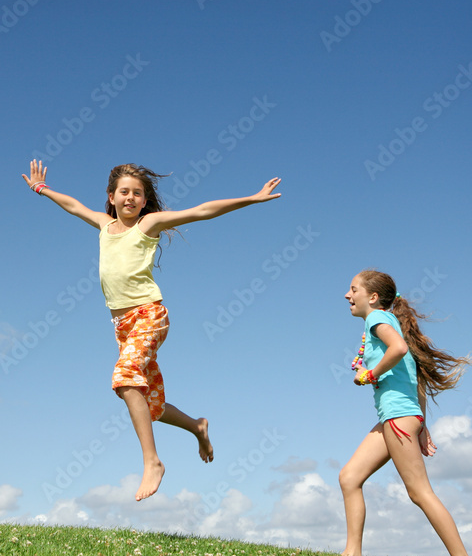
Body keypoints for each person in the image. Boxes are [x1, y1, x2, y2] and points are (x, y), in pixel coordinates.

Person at [23, 159, 282, 501]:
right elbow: (73, 205)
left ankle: (152, 462)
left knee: (126, 377)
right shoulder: (103, 225)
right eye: (124, 192)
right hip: (122, 325)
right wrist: (42, 189)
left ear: (145, 201)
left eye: (137, 193)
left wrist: (251, 198)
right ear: (111, 196)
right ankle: (197, 426)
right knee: (150, 404)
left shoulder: (148, 225)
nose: (130, 198)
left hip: (149, 315)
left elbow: (202, 210)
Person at [339, 269, 472, 556]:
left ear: (373, 297)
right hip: (400, 417)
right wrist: (422, 425)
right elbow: (418, 380)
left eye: (353, 290)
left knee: (419, 492)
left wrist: (370, 374)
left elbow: (398, 349)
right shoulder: (388, 322)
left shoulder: (377, 320)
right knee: (349, 477)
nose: (347, 295)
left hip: (398, 418)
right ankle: (352, 554)